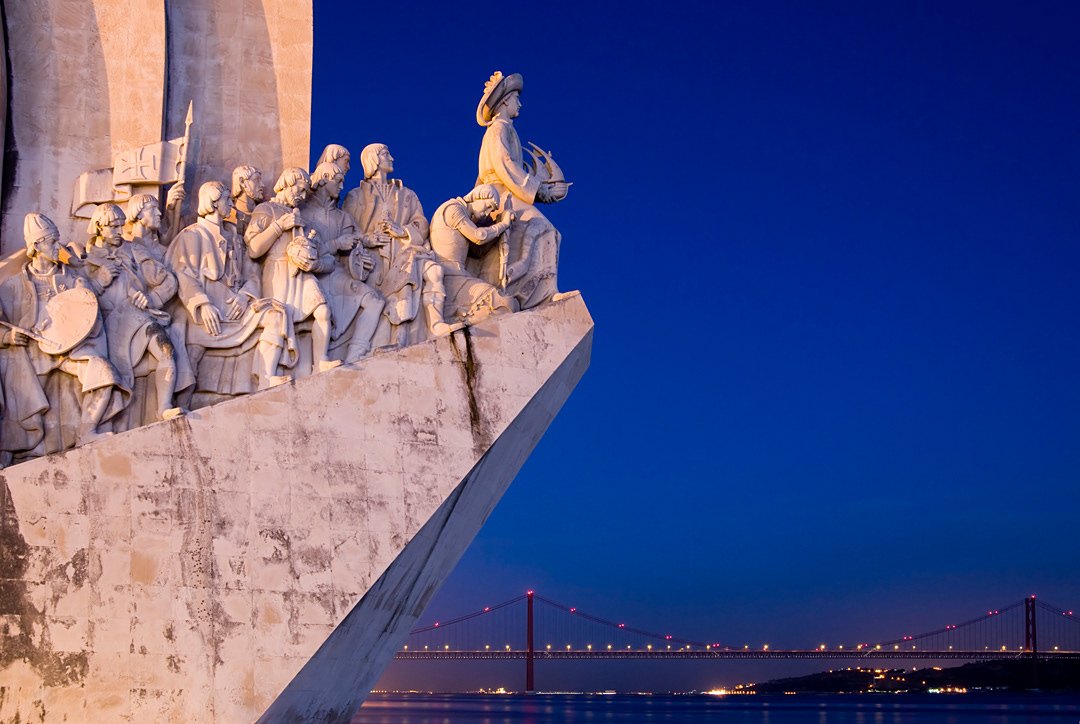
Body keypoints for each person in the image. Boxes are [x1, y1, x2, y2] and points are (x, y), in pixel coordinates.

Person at [0, 213, 130, 457]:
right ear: (36, 246)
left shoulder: (71, 278)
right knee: (15, 386)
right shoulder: (12, 286)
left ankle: (87, 430)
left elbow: (88, 310)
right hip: (32, 353)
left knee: (103, 371)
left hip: (68, 350)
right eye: (51, 241)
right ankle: (8, 451)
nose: (56, 246)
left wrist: (88, 290)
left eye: (57, 240)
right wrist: (7, 338)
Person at [167, 181, 296, 398]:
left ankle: (266, 377)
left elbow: (253, 273)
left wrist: (245, 296)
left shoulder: (235, 238)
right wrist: (203, 304)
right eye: (227, 199)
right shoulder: (192, 235)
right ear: (213, 203)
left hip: (235, 306)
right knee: (191, 354)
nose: (231, 204)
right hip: (208, 310)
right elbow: (182, 273)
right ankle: (179, 402)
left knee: (276, 315)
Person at [342, 143, 460, 346]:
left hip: (404, 251)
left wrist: (403, 231)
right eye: (386, 154)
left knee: (432, 271)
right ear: (373, 159)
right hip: (373, 259)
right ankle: (387, 342)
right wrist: (367, 239)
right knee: (385, 298)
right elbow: (346, 230)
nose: (392, 158)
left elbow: (421, 223)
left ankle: (434, 324)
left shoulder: (407, 194)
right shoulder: (355, 195)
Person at [84, 203, 189, 427]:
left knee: (166, 349)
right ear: (99, 227)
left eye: (121, 226)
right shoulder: (86, 259)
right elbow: (80, 301)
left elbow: (168, 281)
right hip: (106, 328)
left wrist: (151, 298)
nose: (119, 231)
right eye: (113, 227)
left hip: (138, 318)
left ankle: (164, 407)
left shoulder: (134, 250)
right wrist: (99, 281)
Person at [475, 71, 565, 309]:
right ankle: (543, 295)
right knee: (546, 228)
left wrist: (540, 186)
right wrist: (538, 191)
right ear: (505, 101)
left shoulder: (506, 129)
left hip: (507, 191)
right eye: (516, 98)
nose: (520, 104)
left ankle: (535, 292)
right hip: (500, 193)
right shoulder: (498, 128)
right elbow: (505, 165)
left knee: (545, 231)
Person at [245, 167, 339, 376]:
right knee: (279, 322)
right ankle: (268, 374)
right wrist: (279, 226)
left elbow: (329, 259)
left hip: (303, 274)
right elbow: (254, 249)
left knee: (323, 311)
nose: (303, 196)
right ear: (287, 183)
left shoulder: (303, 220)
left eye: (306, 191)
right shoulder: (266, 209)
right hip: (277, 272)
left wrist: (315, 265)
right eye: (300, 189)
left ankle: (321, 361)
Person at [301, 162, 384, 361]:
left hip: (337, 274)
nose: (341, 186)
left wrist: (362, 256)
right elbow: (306, 251)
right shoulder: (303, 213)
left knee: (375, 301)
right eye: (337, 181)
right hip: (314, 276)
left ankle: (354, 356)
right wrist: (337, 243)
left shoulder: (342, 217)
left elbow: (355, 242)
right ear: (323, 179)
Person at [429, 184, 517, 327]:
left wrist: (498, 227)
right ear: (478, 196)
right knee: (504, 304)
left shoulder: (464, 215)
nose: (487, 213)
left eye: (491, 210)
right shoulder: (453, 209)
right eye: (488, 206)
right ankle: (458, 320)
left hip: (459, 276)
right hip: (449, 277)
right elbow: (478, 236)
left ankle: (462, 319)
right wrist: (503, 224)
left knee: (508, 304)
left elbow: (478, 251)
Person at [228, 165, 264, 238]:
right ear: (242, 182)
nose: (262, 185)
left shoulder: (264, 214)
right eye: (256, 180)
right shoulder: (229, 216)